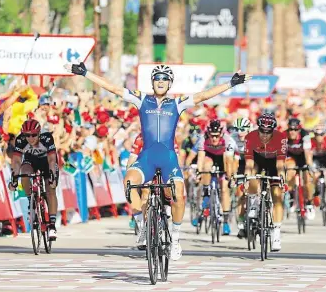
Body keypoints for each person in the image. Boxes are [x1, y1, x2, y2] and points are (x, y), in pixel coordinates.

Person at [65, 62, 251, 260]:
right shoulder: (141, 99)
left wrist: (231, 83)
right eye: (157, 78)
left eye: (164, 79)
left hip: (168, 158)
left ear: (170, 83)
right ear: (152, 81)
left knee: (178, 194)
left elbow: (204, 95)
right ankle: (142, 226)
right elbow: (113, 88)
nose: (160, 81)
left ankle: (176, 239)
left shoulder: (177, 103)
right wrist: (85, 73)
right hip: (147, 158)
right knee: (130, 182)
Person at [8, 119, 59, 240]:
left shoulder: (46, 138)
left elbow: (52, 159)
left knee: (50, 189)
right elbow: (16, 161)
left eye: (34, 135)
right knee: (24, 173)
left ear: (39, 132)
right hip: (31, 161)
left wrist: (52, 175)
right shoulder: (20, 140)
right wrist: (14, 178)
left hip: (47, 163)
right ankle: (31, 200)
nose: (30, 138)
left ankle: (52, 225)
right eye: (27, 135)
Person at [244, 113, 287, 251]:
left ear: (273, 131)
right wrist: (247, 176)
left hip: (274, 163)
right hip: (257, 160)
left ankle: (276, 234)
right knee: (252, 176)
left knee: (277, 195)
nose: (264, 135)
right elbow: (249, 163)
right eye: (262, 131)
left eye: (268, 132)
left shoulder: (281, 138)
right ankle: (253, 204)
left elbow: (280, 164)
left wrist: (281, 177)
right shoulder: (250, 137)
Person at [195, 119, 236, 235]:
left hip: (224, 159)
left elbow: (229, 162)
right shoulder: (203, 139)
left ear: (221, 134)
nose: (214, 139)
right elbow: (201, 158)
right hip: (210, 157)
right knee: (206, 165)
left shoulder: (228, 140)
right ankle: (207, 193)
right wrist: (199, 173)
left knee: (224, 189)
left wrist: (229, 177)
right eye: (211, 136)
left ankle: (226, 222)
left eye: (216, 136)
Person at [285, 118, 314, 219]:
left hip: (303, 157)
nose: (292, 132)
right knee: (289, 170)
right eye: (290, 130)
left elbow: (307, 153)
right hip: (291, 157)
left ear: (299, 130)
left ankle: (309, 203)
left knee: (307, 180)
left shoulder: (304, 135)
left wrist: (309, 166)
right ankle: (292, 195)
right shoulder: (284, 136)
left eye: (295, 130)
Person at [230, 117, 254, 238]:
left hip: (254, 160)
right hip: (240, 161)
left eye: (243, 129)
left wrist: (249, 178)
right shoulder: (232, 138)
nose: (240, 132)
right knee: (240, 193)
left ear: (249, 129)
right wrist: (232, 176)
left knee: (255, 185)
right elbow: (231, 159)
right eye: (237, 129)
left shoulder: (255, 136)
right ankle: (240, 222)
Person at [307, 123, 326, 212]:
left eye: (321, 134)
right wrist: (311, 167)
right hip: (316, 159)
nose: (319, 137)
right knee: (315, 175)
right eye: (316, 134)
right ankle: (316, 191)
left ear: (324, 134)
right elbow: (309, 157)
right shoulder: (310, 141)